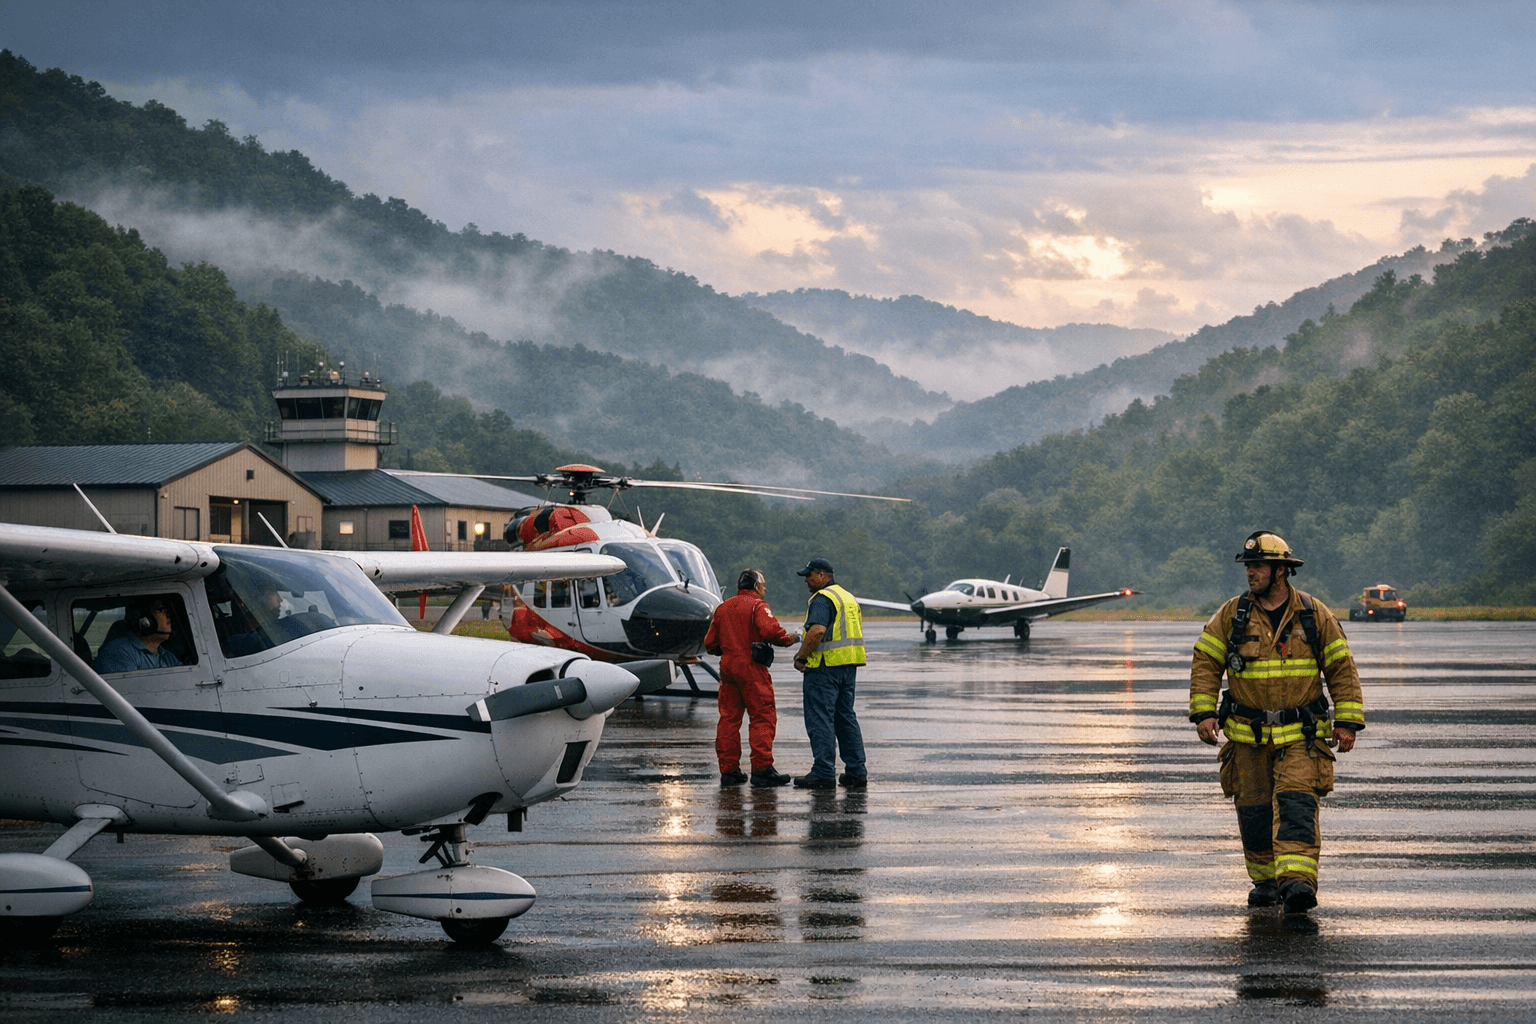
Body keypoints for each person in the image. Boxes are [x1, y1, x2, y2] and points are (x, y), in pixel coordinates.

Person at [1189, 530, 1365, 915]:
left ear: (1280, 571)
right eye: (1248, 566)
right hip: (1247, 739)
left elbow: (1341, 668)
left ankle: (1298, 882)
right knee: (1253, 814)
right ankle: (1266, 882)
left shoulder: (1313, 615)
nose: (1250, 573)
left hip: (1301, 737)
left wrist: (1347, 721)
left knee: (1296, 807)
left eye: (1258, 566)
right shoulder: (1232, 615)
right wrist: (1203, 713)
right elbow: (1205, 661)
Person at [703, 568, 801, 788]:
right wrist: (790, 638)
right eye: (763, 586)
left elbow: (710, 643)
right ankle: (762, 770)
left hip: (728, 669)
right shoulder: (758, 606)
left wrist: (728, 649)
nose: (764, 590)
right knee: (762, 716)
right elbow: (770, 632)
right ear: (756, 586)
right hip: (751, 668)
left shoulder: (723, 607)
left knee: (728, 719)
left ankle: (729, 771)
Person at [790, 557, 868, 789]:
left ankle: (823, 771)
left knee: (820, 718)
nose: (806, 580)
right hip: (848, 665)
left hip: (824, 667)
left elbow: (817, 630)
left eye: (809, 575)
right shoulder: (848, 597)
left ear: (823, 575)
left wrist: (801, 656)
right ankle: (856, 771)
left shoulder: (822, 599)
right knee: (845, 717)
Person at [95, 597, 182, 673]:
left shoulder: (167, 657)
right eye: (161, 610)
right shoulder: (119, 652)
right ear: (144, 619)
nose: (168, 615)